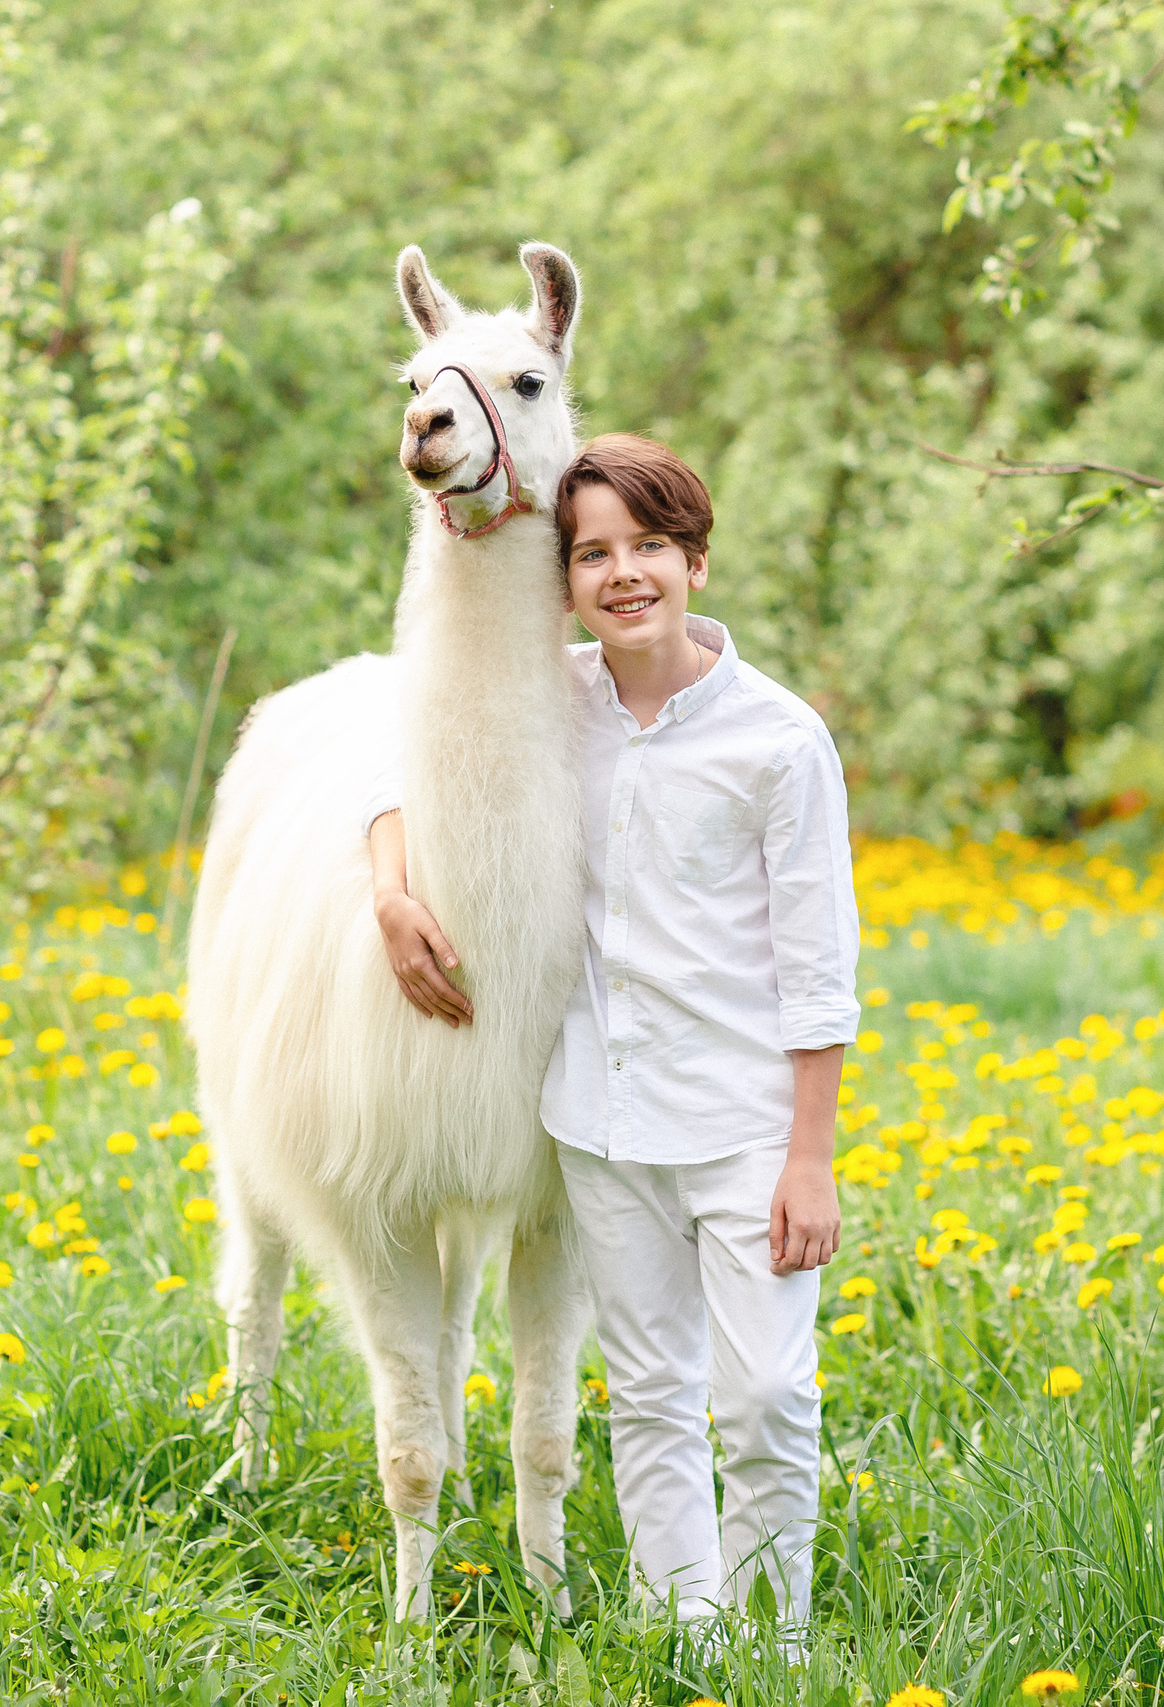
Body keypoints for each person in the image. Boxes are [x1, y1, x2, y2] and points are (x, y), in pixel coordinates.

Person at [366, 432, 858, 1626]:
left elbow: (819, 966)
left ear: (695, 561)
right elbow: (401, 775)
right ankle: (680, 1637)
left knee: (763, 1404)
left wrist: (810, 1158)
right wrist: (390, 886)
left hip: (743, 1127)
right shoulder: (552, 707)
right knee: (644, 1393)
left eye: (648, 546)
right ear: (566, 579)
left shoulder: (779, 741)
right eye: (593, 553)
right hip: (599, 1121)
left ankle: (771, 1646)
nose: (623, 573)